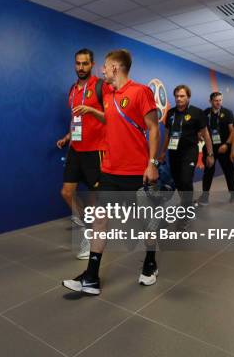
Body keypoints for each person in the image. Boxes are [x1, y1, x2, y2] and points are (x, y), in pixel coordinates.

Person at [62, 49, 160, 294]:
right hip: (109, 169)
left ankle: (150, 262)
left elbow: (154, 128)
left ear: (115, 67)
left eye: (105, 66)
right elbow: (111, 120)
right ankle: (92, 277)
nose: (101, 70)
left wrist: (152, 163)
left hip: (136, 171)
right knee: (100, 220)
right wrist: (94, 113)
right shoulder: (109, 96)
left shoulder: (140, 92)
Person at [56, 49, 107, 259]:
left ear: (92, 64)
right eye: (77, 63)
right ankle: (87, 228)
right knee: (66, 193)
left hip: (96, 151)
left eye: (85, 64)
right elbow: (77, 119)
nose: (81, 68)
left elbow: (110, 118)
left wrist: (93, 110)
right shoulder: (73, 89)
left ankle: (94, 238)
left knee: (96, 200)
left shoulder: (100, 86)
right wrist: (68, 136)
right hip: (76, 149)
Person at [158, 85, 214, 213]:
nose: (179, 99)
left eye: (182, 96)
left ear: (188, 97)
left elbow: (206, 135)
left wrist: (210, 154)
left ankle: (187, 210)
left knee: (186, 180)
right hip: (173, 152)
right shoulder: (171, 113)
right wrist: (162, 152)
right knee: (178, 182)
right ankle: (186, 202)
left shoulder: (197, 112)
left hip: (189, 152)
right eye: (177, 96)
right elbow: (167, 134)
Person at [199, 92, 234, 205]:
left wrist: (226, 145)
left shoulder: (227, 112)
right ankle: (205, 197)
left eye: (220, 100)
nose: (218, 102)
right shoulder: (205, 113)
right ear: (210, 101)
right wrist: (199, 134)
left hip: (224, 148)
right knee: (208, 172)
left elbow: (233, 132)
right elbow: (201, 129)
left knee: (229, 171)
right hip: (210, 148)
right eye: (216, 100)